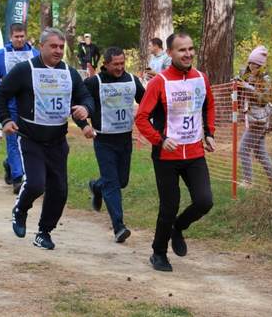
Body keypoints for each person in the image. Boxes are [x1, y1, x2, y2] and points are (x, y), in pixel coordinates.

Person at [0, 27, 94, 250]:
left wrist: (85, 111)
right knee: (37, 183)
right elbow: (1, 94)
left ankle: (44, 232)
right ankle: (20, 210)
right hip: (30, 138)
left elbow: (84, 97)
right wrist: (5, 120)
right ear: (41, 47)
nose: (58, 51)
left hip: (58, 141)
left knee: (59, 191)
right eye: (53, 46)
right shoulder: (24, 70)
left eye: (61, 47)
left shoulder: (69, 73)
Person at [135, 32, 216, 272]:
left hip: (194, 153)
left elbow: (208, 106)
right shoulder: (159, 82)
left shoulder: (202, 78)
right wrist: (160, 140)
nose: (188, 54)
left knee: (204, 201)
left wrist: (209, 133)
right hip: (166, 155)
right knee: (169, 206)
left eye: (190, 49)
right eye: (182, 50)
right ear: (170, 53)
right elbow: (141, 118)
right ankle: (158, 253)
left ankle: (178, 228)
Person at [84, 47, 145, 243]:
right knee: (113, 184)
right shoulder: (95, 82)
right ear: (106, 64)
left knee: (122, 181)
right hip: (104, 140)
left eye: (122, 63)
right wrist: (84, 123)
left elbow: (145, 101)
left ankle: (97, 186)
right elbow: (80, 100)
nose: (119, 68)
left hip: (125, 138)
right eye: (115, 64)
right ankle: (119, 227)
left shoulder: (132, 80)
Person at [0, 23, 39, 193]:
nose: (19, 39)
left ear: (26, 36)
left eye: (22, 36)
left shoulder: (35, 54)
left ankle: (10, 164)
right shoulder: (2, 55)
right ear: (10, 37)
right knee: (12, 140)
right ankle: (18, 177)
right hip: (10, 105)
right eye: (16, 36)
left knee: (28, 140)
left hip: (31, 105)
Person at [238, 46, 272, 188]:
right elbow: (242, 83)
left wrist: (248, 88)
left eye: (254, 64)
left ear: (261, 65)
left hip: (260, 120)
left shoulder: (265, 79)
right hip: (253, 118)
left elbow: (265, 99)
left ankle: (248, 181)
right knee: (260, 152)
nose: (251, 66)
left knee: (243, 149)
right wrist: (239, 83)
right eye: (250, 63)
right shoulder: (249, 75)